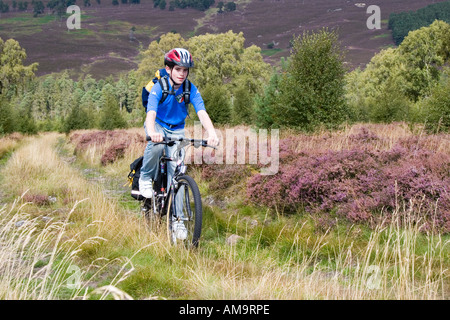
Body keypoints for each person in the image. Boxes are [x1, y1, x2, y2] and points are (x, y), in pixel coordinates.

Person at [139, 48, 219, 239]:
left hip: (178, 129)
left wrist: (212, 133)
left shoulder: (190, 88)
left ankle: (178, 221)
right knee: (157, 146)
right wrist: (151, 132)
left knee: (178, 173)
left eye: (185, 70)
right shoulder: (160, 86)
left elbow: (201, 111)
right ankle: (145, 178)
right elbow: (150, 112)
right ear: (169, 69)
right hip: (158, 124)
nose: (182, 74)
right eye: (178, 70)